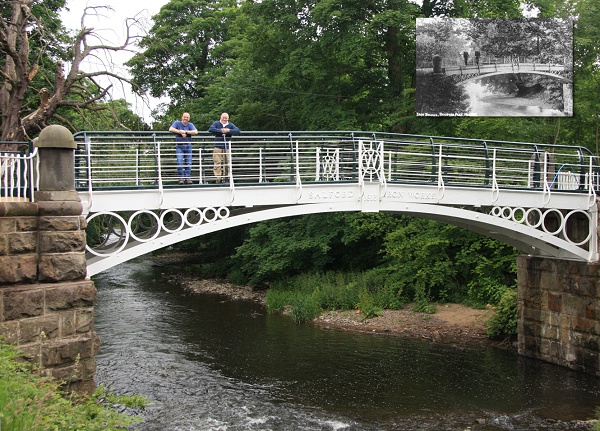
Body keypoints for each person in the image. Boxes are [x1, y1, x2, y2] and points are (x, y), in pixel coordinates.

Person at [208, 112, 241, 183]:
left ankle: (227, 177)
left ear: (228, 118)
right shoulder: (216, 123)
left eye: (226, 118)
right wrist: (221, 131)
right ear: (221, 117)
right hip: (218, 146)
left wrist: (228, 130)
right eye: (223, 117)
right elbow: (211, 129)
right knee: (217, 162)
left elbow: (238, 131)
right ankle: (218, 178)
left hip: (227, 146)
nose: (224, 119)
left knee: (227, 162)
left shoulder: (230, 125)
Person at [169, 112, 198, 184]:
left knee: (188, 162)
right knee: (179, 162)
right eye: (184, 117)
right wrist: (179, 132)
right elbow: (171, 129)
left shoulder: (190, 124)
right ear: (182, 117)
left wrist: (186, 132)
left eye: (187, 117)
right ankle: (181, 178)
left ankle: (187, 178)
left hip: (188, 145)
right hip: (179, 145)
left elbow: (195, 132)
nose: (186, 118)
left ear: (189, 118)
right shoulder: (177, 123)